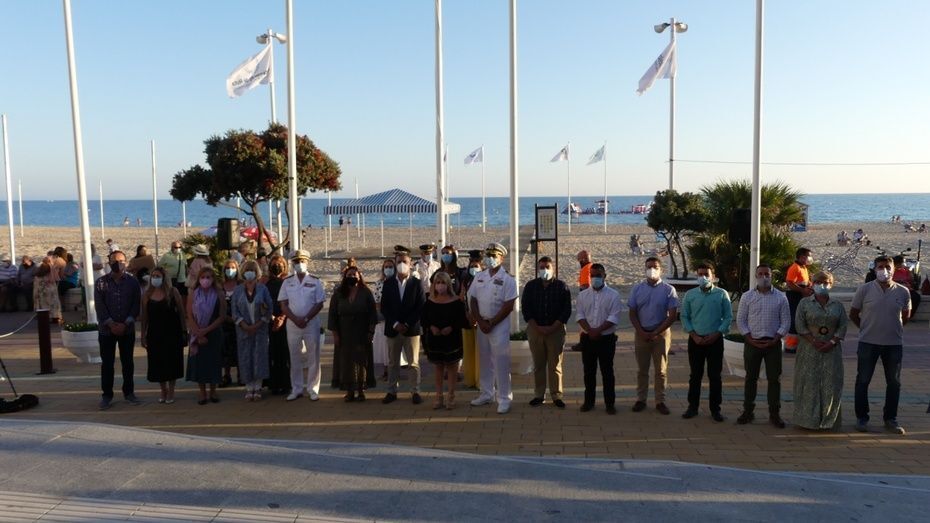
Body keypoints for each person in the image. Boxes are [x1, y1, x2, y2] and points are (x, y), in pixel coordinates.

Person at [850, 255, 911, 435]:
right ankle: (862, 418)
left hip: (893, 344)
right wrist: (866, 328)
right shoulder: (864, 289)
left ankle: (890, 418)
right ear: (874, 269)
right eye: (880, 267)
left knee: (894, 382)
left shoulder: (903, 291)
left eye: (887, 267)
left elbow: (906, 315)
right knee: (863, 381)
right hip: (868, 342)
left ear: (894, 269)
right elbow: (853, 313)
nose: (884, 270)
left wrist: (894, 329)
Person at [736, 264, 791, 428]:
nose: (764, 277)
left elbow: (786, 321)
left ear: (771, 275)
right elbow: (741, 320)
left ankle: (774, 413)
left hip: (772, 343)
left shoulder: (781, 297)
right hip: (752, 342)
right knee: (750, 378)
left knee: (774, 379)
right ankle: (748, 411)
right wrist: (749, 338)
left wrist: (776, 338)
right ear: (755, 276)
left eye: (767, 274)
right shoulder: (747, 297)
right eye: (760, 274)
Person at [793, 271, 848, 430]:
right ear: (812, 283)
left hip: (832, 350)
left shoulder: (837, 305)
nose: (821, 285)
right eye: (818, 282)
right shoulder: (804, 303)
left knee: (831, 383)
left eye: (825, 282)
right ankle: (807, 419)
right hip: (808, 348)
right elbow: (799, 325)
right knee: (808, 382)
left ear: (831, 285)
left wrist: (832, 342)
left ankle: (829, 420)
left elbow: (843, 325)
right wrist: (814, 341)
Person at [467, 243, 518, 414]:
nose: (490, 259)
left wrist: (492, 323)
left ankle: (504, 398)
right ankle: (486, 393)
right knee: (485, 360)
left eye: (494, 256)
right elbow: (473, 299)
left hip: (499, 326)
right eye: (488, 255)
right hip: (482, 324)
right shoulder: (480, 276)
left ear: (501, 258)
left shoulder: (508, 279)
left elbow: (508, 305)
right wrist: (480, 321)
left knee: (501, 363)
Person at [680, 262, 732, 422]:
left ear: (713, 276)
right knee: (695, 375)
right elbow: (684, 316)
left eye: (706, 274)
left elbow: (728, 317)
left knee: (715, 376)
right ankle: (692, 407)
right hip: (695, 340)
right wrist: (693, 335)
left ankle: (715, 409)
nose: (703, 277)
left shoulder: (721, 294)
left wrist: (717, 333)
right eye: (700, 274)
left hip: (715, 340)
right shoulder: (690, 295)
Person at [628, 257, 679, 415]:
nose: (652, 270)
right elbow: (632, 313)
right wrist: (641, 332)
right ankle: (641, 399)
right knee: (642, 370)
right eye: (649, 267)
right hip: (641, 334)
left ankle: (660, 401)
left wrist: (657, 332)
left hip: (661, 335)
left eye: (655, 267)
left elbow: (672, 315)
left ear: (660, 269)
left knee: (661, 371)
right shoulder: (637, 289)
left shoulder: (668, 290)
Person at [94, 250, 143, 410]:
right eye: (115, 261)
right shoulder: (101, 282)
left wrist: (126, 323)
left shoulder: (133, 282)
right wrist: (111, 324)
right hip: (106, 331)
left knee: (127, 363)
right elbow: (100, 306)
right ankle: (107, 395)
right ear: (109, 263)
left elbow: (136, 304)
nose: (118, 264)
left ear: (126, 262)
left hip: (126, 330)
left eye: (121, 261)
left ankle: (129, 392)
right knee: (107, 364)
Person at [521, 256, 572, 408]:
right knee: (538, 365)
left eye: (547, 267)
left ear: (553, 268)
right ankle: (539, 395)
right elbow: (526, 309)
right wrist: (537, 327)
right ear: (538, 269)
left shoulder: (561, 286)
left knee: (555, 365)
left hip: (555, 331)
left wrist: (552, 327)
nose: (544, 270)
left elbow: (566, 310)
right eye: (542, 267)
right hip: (536, 330)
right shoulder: (531, 286)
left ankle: (556, 395)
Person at [575, 263, 623, 414]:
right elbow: (580, 315)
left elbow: (614, 317)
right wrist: (590, 331)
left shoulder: (613, 295)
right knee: (589, 372)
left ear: (604, 276)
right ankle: (589, 402)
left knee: (607, 372)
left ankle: (610, 403)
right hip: (587, 338)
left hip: (606, 339)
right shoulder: (583, 295)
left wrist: (599, 330)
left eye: (598, 275)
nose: (595, 278)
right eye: (593, 275)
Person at [380, 246, 426, 405]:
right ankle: (391, 391)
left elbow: (420, 307)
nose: (402, 265)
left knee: (413, 363)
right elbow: (384, 307)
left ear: (410, 263)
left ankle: (415, 391)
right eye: (399, 261)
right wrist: (395, 323)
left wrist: (406, 323)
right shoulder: (388, 283)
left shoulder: (416, 283)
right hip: (393, 329)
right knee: (393, 363)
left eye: (405, 262)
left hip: (411, 329)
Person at [278, 249, 325, 402]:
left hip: (311, 324)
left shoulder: (315, 281)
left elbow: (319, 303)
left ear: (307, 262)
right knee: (294, 358)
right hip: (293, 325)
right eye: (297, 262)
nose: (300, 264)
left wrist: (306, 319)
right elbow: (283, 304)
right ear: (292, 264)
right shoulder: (287, 282)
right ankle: (296, 388)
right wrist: (295, 319)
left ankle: (313, 388)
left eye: (302, 261)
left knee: (313, 357)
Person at [327, 266, 377, 402]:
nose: (352, 277)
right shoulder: (338, 293)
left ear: (359, 276)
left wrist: (371, 331)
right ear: (345, 277)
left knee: (361, 360)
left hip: (362, 331)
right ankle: (349, 391)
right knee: (346, 361)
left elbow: (373, 313)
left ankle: (361, 390)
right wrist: (335, 334)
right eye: (349, 274)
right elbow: (332, 315)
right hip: (344, 332)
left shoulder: (366, 292)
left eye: (354, 274)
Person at [422, 271, 468, 409]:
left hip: (452, 339)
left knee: (452, 368)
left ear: (448, 284)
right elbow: (424, 319)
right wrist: (431, 327)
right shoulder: (430, 301)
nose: (440, 285)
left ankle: (451, 396)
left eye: (443, 283)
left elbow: (461, 320)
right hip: (435, 339)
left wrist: (451, 327)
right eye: (438, 283)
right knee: (438, 368)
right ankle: (439, 396)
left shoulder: (456, 302)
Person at [140, 267, 186, 404]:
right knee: (157, 362)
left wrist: (184, 331)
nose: (155, 278)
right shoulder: (147, 294)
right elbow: (144, 317)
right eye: (153, 276)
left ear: (164, 277)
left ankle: (171, 390)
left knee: (172, 361)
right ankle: (163, 389)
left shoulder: (173, 292)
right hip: (155, 333)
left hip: (172, 332)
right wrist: (143, 335)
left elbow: (181, 313)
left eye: (158, 276)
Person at [231, 260, 273, 401]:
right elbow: (234, 311)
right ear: (243, 273)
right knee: (245, 357)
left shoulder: (263, 289)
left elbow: (269, 308)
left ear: (257, 273)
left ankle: (258, 387)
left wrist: (258, 324)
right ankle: (249, 387)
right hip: (243, 330)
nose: (250, 273)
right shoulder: (238, 290)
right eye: (247, 270)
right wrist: (244, 325)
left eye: (252, 270)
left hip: (260, 329)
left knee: (259, 356)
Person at [186, 267, 226, 405]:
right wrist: (198, 332)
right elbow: (189, 314)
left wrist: (206, 330)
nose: (205, 280)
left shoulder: (219, 294)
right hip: (197, 332)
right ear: (198, 279)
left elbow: (222, 316)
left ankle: (213, 391)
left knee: (213, 362)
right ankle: (202, 392)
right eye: (203, 277)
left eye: (208, 277)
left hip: (213, 332)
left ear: (213, 279)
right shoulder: (193, 293)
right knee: (200, 363)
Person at [264, 255, 291, 395]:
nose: (277, 266)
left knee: (284, 353)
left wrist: (282, 317)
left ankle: (286, 384)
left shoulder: (288, 282)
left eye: (280, 264)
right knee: (272, 353)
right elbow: (262, 301)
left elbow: (290, 301)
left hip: (286, 321)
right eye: (274, 264)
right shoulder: (265, 282)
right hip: (270, 321)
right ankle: (274, 384)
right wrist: (271, 317)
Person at [460, 252, 483, 389]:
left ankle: (480, 381)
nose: (474, 268)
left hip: (481, 320)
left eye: (476, 265)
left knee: (480, 352)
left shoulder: (485, 280)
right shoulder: (466, 280)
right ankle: (469, 379)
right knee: (468, 351)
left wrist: (477, 318)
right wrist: (468, 315)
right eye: (472, 266)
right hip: (467, 319)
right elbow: (462, 298)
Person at [784, 248, 814, 354]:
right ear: (801, 257)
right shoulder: (795, 267)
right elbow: (790, 283)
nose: (810, 258)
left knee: (801, 318)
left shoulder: (803, 267)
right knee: (794, 319)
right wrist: (802, 290)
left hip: (801, 295)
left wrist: (810, 286)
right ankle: (790, 346)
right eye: (808, 256)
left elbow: (804, 282)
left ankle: (799, 344)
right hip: (794, 296)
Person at [372, 258, 396, 380]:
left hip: (396, 318)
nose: (388, 269)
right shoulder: (379, 283)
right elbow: (376, 301)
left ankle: (394, 371)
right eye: (386, 267)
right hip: (383, 318)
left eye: (390, 267)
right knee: (384, 345)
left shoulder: (398, 282)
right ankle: (386, 371)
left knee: (394, 346)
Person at [220, 259, 241, 387]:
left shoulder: (241, 285)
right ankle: (226, 375)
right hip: (224, 322)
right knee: (225, 350)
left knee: (239, 349)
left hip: (239, 322)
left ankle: (240, 375)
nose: (230, 270)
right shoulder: (220, 286)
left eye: (233, 268)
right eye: (227, 268)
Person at [33, 258, 62, 324]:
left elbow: (36, 286)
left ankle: (45, 318)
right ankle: (55, 318)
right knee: (54, 305)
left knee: (43, 306)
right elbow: (56, 279)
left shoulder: (38, 275)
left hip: (41, 292)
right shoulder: (51, 269)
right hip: (52, 292)